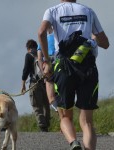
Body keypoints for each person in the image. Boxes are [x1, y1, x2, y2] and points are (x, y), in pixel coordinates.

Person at [38, 0, 109, 150]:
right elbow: (105, 43)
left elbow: (41, 32)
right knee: (87, 122)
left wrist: (47, 62)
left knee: (65, 116)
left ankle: (73, 142)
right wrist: (93, 39)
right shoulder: (88, 11)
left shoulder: (52, 11)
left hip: (64, 67)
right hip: (88, 66)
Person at [21, 39, 50, 132]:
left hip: (35, 83)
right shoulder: (41, 53)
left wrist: (23, 85)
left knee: (37, 105)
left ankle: (42, 126)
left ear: (28, 48)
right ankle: (47, 124)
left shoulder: (28, 55)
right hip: (46, 82)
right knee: (46, 104)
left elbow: (25, 70)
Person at [37, 26, 58, 112]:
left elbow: (39, 58)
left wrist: (43, 73)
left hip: (48, 65)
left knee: (51, 97)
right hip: (60, 63)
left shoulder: (42, 41)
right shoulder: (58, 37)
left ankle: (60, 115)